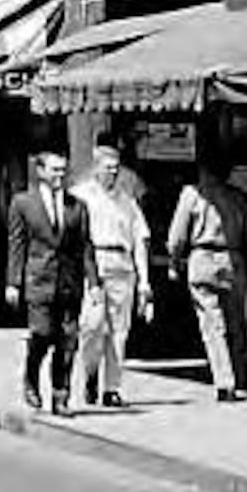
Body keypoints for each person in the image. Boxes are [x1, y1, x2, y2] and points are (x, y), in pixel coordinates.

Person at [165, 155, 247, 403]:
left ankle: (224, 381)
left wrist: (175, 262)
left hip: (203, 257)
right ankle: (239, 375)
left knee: (212, 324)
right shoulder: (240, 198)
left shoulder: (192, 194)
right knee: (236, 322)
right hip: (233, 258)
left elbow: (176, 236)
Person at [5, 149, 87, 416]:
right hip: (38, 281)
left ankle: (60, 396)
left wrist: (93, 283)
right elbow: (17, 245)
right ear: (40, 171)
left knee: (68, 342)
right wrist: (13, 282)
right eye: (54, 170)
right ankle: (30, 377)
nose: (60, 176)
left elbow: (84, 248)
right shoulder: (23, 203)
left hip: (68, 283)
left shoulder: (76, 206)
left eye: (63, 171)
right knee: (42, 335)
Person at [74, 140, 153, 407]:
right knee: (91, 327)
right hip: (94, 264)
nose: (113, 173)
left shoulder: (127, 201)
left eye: (116, 168)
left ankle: (112, 388)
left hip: (122, 264)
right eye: (108, 168)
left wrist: (144, 281)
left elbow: (140, 239)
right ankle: (90, 371)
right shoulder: (81, 195)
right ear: (96, 169)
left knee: (119, 331)